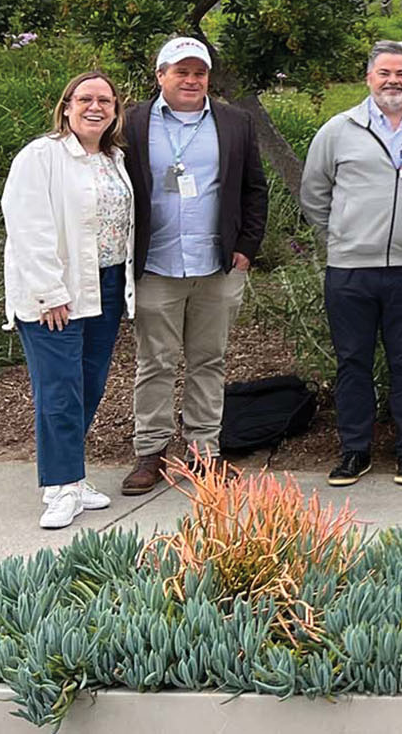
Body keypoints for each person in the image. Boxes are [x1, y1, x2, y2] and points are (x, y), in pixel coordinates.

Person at [299, 41, 402, 488]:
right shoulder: (338, 130)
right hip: (350, 270)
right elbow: (315, 193)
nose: (394, 81)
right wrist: (342, 235)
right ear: (368, 78)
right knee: (353, 362)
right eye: (384, 72)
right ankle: (354, 450)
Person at [118, 36, 268, 496]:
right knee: (155, 361)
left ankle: (205, 453)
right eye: (180, 71)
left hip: (216, 266)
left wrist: (247, 246)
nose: (191, 79)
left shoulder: (235, 123)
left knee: (210, 359)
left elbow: (253, 189)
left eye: (199, 72)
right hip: (155, 265)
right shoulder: (131, 122)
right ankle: (152, 452)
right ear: (160, 75)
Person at [3, 72, 135, 529]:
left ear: (116, 111)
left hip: (107, 286)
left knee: (89, 383)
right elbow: (27, 226)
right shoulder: (41, 156)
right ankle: (59, 488)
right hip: (56, 291)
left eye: (105, 100)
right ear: (66, 106)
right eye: (85, 99)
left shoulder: (114, 159)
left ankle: (73, 478)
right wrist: (49, 293)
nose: (95, 107)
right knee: (59, 389)